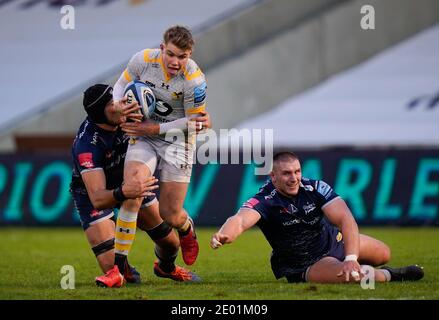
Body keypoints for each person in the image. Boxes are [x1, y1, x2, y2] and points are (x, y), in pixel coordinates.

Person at [210, 152, 424, 284]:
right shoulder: (266, 199)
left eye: (297, 171)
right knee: (354, 278)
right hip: (305, 262)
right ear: (273, 177)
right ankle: (390, 276)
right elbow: (239, 220)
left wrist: (350, 258)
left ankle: (355, 262)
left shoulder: (314, 187)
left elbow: (346, 219)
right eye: (286, 173)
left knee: (383, 253)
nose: (293, 178)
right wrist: (223, 235)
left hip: (332, 240)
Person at [71, 84, 203, 288]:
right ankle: (123, 270)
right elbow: (98, 199)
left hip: (132, 183)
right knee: (114, 269)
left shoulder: (135, 111)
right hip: (94, 194)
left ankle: (166, 267)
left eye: (119, 98)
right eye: (114, 104)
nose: (123, 105)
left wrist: (200, 120)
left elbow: (183, 120)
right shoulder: (87, 144)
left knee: (170, 244)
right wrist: (124, 191)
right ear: (101, 113)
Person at [105, 25, 208, 281]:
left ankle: (186, 228)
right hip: (144, 137)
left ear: (190, 54)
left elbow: (198, 123)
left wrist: (153, 127)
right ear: (162, 48)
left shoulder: (194, 80)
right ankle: (118, 269)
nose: (175, 62)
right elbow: (119, 87)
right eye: (171, 54)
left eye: (182, 57)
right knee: (133, 191)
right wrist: (121, 109)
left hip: (177, 140)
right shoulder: (143, 60)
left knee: (170, 215)